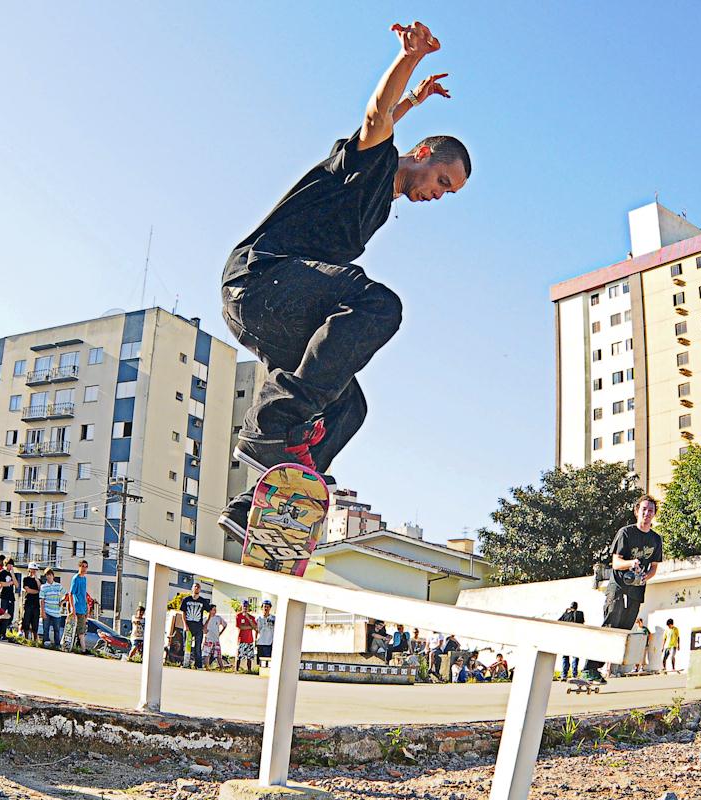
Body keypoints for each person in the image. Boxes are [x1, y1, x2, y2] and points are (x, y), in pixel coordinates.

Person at [216, 20, 471, 538]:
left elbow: (393, 116)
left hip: (285, 306)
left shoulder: (379, 195)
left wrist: (414, 103)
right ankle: (269, 429)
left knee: (349, 407)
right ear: (421, 155)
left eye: (449, 194)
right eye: (442, 181)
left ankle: (256, 502)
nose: (438, 195)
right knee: (378, 304)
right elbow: (378, 117)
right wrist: (410, 60)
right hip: (263, 280)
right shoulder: (369, 163)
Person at [586, 495, 663, 684]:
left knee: (624, 630)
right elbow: (616, 563)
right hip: (618, 586)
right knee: (611, 624)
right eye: (643, 509)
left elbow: (654, 567)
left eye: (650, 511)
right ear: (637, 511)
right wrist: (632, 562)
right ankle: (589, 667)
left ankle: (599, 668)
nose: (647, 514)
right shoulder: (625, 533)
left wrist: (647, 576)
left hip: (637, 589)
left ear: (654, 515)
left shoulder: (656, 539)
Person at [180, 583, 208, 669]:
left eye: (198, 587)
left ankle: (198, 665)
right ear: (192, 588)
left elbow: (211, 611)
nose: (196, 588)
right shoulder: (186, 600)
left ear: (200, 589)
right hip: (188, 626)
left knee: (198, 646)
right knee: (186, 646)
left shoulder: (203, 601)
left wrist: (205, 625)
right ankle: (186, 663)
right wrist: (185, 625)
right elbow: (183, 613)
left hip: (198, 627)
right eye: (195, 586)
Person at [558, 601, 585, 680]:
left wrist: (566, 612)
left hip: (566, 638)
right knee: (575, 657)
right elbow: (582, 623)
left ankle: (564, 674)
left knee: (565, 657)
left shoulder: (566, 614)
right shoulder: (580, 614)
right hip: (576, 638)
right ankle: (574, 674)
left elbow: (559, 621)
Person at [39, 568, 65, 648]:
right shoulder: (43, 587)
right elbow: (42, 600)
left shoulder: (58, 586)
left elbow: (67, 595)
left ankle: (57, 645)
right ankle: (46, 643)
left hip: (56, 612)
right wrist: (42, 612)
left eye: (50, 575)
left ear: (53, 576)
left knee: (57, 630)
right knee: (45, 628)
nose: (49, 576)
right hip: (47, 610)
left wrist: (62, 601)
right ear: (46, 576)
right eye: (47, 575)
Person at [67, 559, 90, 652]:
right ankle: (84, 649)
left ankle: (78, 648)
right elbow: (70, 593)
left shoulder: (84, 579)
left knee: (82, 629)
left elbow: (84, 593)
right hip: (77, 608)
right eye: (82, 566)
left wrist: (87, 605)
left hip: (83, 607)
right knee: (80, 631)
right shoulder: (75, 578)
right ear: (79, 567)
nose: (84, 569)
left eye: (86, 567)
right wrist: (72, 608)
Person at [235, 599, 259, 673]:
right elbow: (240, 627)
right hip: (241, 639)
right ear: (241, 607)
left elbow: (255, 628)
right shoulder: (238, 616)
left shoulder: (252, 617)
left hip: (249, 639)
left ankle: (249, 670)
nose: (245, 608)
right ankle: (236, 670)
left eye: (246, 606)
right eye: (244, 606)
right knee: (239, 656)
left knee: (249, 657)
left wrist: (248, 618)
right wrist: (250, 627)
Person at [202, 602, 227, 670]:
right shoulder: (204, 619)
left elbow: (225, 625)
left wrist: (220, 633)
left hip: (216, 639)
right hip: (208, 638)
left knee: (218, 654)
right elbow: (203, 629)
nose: (214, 611)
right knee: (207, 654)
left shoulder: (218, 618)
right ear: (209, 610)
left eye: (215, 610)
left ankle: (222, 668)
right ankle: (207, 667)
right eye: (213, 609)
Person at [20, 563, 41, 642]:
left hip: (36, 604)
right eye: (32, 569)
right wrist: (37, 591)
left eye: (35, 570)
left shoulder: (38, 580)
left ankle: (35, 640)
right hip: (28, 602)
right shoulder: (26, 579)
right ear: (29, 569)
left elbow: (40, 589)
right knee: (26, 621)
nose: (34, 571)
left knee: (35, 622)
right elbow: (28, 590)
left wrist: (36, 579)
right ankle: (26, 638)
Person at [0, 557, 18, 631]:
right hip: (3, 595)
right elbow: (1, 584)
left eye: (12, 565)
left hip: (11, 596)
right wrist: (9, 583)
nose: (11, 567)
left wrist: (12, 575)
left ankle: (8, 628)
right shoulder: (2, 572)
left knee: (11, 613)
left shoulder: (13, 574)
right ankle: (0, 629)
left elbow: (17, 585)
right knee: (2, 612)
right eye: (9, 565)